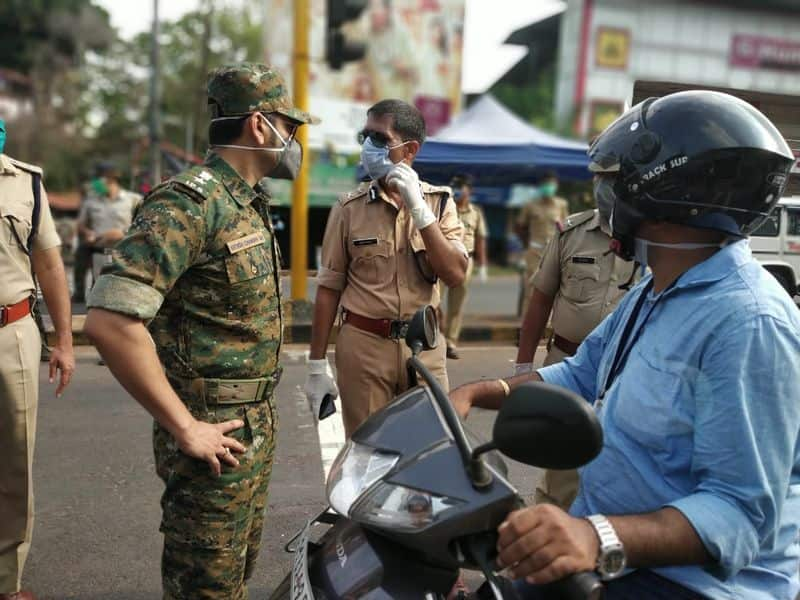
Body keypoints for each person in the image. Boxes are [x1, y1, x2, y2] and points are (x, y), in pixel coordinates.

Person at [449, 91, 800, 599]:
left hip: (687, 583)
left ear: (662, 193)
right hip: (615, 550)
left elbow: (739, 513)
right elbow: (580, 374)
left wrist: (594, 536)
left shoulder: (749, 324)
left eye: (613, 184)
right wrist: (476, 394)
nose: (603, 197)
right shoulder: (654, 288)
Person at [84, 63, 318, 599]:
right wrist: (185, 427)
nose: (296, 141)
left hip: (250, 425)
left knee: (231, 579)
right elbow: (111, 321)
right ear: (260, 125)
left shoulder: (249, 204)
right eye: (292, 126)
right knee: (204, 588)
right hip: (210, 433)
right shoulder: (190, 203)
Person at [305, 98, 467, 437]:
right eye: (365, 136)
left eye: (379, 138)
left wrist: (419, 210)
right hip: (364, 347)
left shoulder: (439, 203)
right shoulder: (349, 208)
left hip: (424, 347)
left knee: (428, 452)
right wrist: (316, 365)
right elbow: (329, 288)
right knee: (370, 456)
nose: (368, 147)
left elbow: (454, 275)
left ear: (409, 149)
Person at [514, 199, 637, 509]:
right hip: (567, 364)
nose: (605, 186)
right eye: (598, 177)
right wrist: (523, 369)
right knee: (561, 471)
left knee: (619, 470)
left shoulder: (650, 236)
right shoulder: (571, 232)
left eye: (613, 177)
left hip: (627, 371)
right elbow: (540, 301)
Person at [0, 120, 75, 600]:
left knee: (13, 464)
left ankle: (6, 581)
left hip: (12, 333)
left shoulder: (25, 181)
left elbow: (48, 262)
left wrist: (64, 340)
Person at [443, 173, 487, 359]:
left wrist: (482, 265)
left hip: (465, 259)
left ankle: (450, 342)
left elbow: (480, 239)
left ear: (470, 191)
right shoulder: (445, 207)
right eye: (456, 187)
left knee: (457, 304)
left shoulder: (475, 213)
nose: (459, 191)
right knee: (432, 300)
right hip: (442, 257)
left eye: (462, 187)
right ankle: (432, 338)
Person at [76, 165, 142, 285]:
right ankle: (80, 292)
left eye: (97, 180)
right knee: (98, 285)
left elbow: (144, 222)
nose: (94, 184)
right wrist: (87, 233)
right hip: (98, 249)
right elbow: (80, 225)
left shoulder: (133, 199)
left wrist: (123, 233)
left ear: (110, 180)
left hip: (124, 250)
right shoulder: (90, 201)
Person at [515, 171, 569, 316]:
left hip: (554, 251)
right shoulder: (530, 205)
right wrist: (526, 244)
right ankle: (526, 325)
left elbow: (566, 227)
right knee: (531, 287)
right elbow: (520, 226)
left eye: (551, 185)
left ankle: (548, 327)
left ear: (556, 186)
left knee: (553, 288)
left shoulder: (561, 205)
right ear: (541, 186)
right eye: (545, 185)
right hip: (535, 250)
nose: (548, 188)